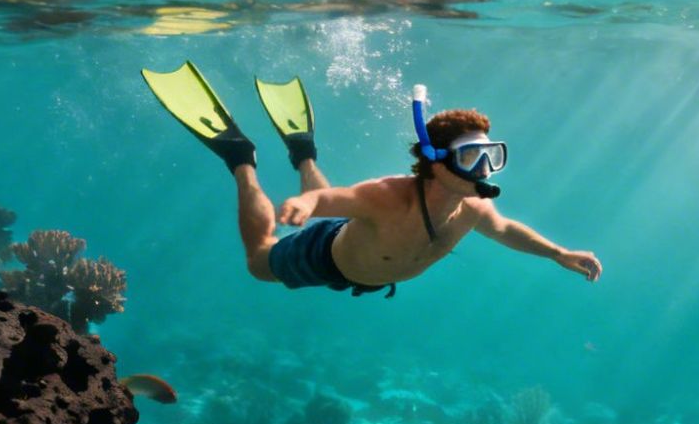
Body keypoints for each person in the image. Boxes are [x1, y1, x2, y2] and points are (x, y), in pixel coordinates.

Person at [143, 64, 601, 298]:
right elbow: (332, 198)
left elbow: (505, 231)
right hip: (322, 257)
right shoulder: (389, 196)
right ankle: (241, 158)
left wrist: (559, 254)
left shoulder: (475, 208)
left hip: (362, 270)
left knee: (319, 193)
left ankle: (303, 153)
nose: (483, 168)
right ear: (436, 161)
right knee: (259, 263)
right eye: (471, 156)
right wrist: (307, 206)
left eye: (490, 156)